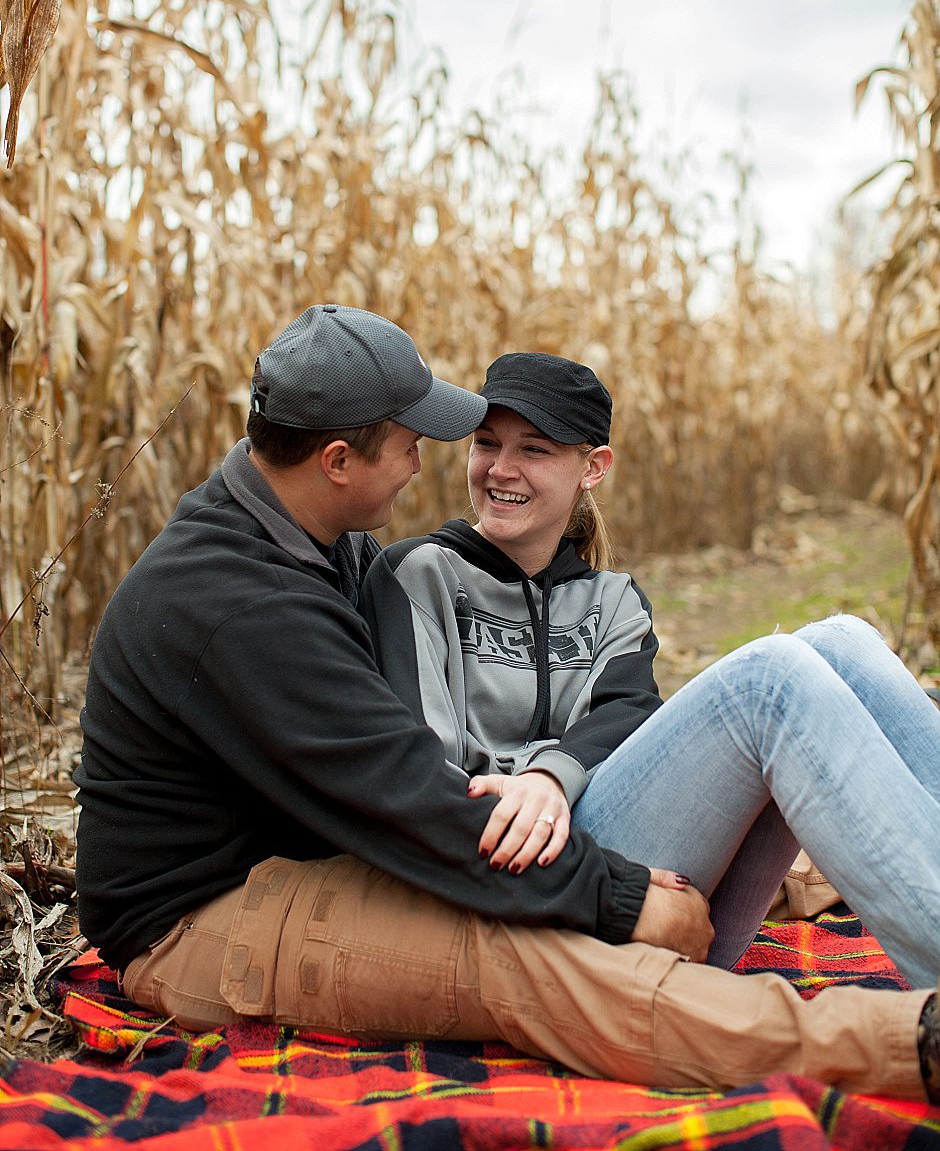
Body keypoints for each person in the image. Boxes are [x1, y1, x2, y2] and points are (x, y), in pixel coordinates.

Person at [74, 309, 940, 1104]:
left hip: (346, 846)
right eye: (412, 444)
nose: (428, 465)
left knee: (840, 645)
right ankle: (909, 1042)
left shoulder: (306, 538)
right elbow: (408, 797)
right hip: (206, 915)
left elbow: (605, 715)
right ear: (337, 462)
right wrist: (621, 896)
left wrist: (558, 784)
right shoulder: (241, 603)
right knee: (523, 962)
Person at [361, 353, 940, 989]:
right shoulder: (420, 575)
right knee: (770, 680)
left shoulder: (613, 600)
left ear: (593, 468)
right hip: (533, 882)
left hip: (650, 885)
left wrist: (553, 778)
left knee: (845, 640)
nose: (502, 469)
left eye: (535, 449)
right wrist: (528, 791)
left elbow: (627, 714)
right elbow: (426, 771)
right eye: (487, 444)